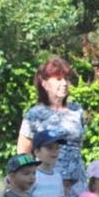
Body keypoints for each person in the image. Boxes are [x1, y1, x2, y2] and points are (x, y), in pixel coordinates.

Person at [16, 57, 85, 188]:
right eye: (58, 79)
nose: (64, 83)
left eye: (66, 79)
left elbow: (79, 146)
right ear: (44, 83)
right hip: (47, 183)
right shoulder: (34, 114)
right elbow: (23, 152)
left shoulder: (77, 110)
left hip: (77, 183)